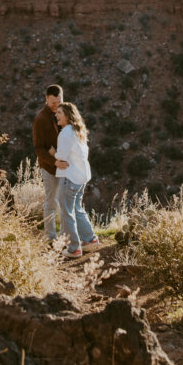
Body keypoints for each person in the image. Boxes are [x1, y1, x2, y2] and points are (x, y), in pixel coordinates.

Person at [54, 101, 99, 258]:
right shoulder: (78, 131)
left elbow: (61, 157)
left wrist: (53, 155)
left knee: (67, 212)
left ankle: (74, 248)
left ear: (67, 115)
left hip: (69, 177)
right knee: (77, 208)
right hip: (81, 177)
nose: (56, 115)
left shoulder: (65, 133)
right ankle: (90, 239)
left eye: (59, 113)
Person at [32, 84, 63, 241]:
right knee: (51, 203)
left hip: (65, 166)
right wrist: (54, 161)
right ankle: (50, 237)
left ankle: (66, 236)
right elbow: (38, 149)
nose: (56, 106)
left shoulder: (64, 113)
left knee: (65, 203)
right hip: (50, 168)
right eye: (53, 103)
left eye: (59, 102)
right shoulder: (40, 119)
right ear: (46, 99)